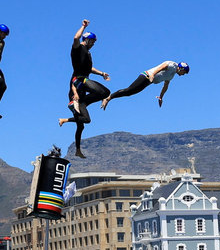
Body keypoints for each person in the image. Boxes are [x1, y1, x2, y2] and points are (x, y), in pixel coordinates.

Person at [58, 19, 111, 158]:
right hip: (78, 82)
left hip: (83, 86)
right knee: (105, 92)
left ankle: (77, 149)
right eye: (92, 42)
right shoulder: (77, 49)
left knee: (83, 122)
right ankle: (76, 103)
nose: (93, 45)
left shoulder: (87, 53)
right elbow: (75, 38)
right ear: (86, 39)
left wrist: (101, 73)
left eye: (94, 43)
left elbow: (89, 68)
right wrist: (83, 26)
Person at [100, 61, 189, 110]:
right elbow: (161, 67)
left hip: (148, 81)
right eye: (184, 72)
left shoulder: (172, 75)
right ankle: (108, 98)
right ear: (181, 68)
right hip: (146, 76)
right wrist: (152, 74)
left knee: (130, 93)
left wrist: (161, 97)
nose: (183, 74)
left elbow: (166, 86)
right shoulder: (172, 65)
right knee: (129, 90)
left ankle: (109, 98)